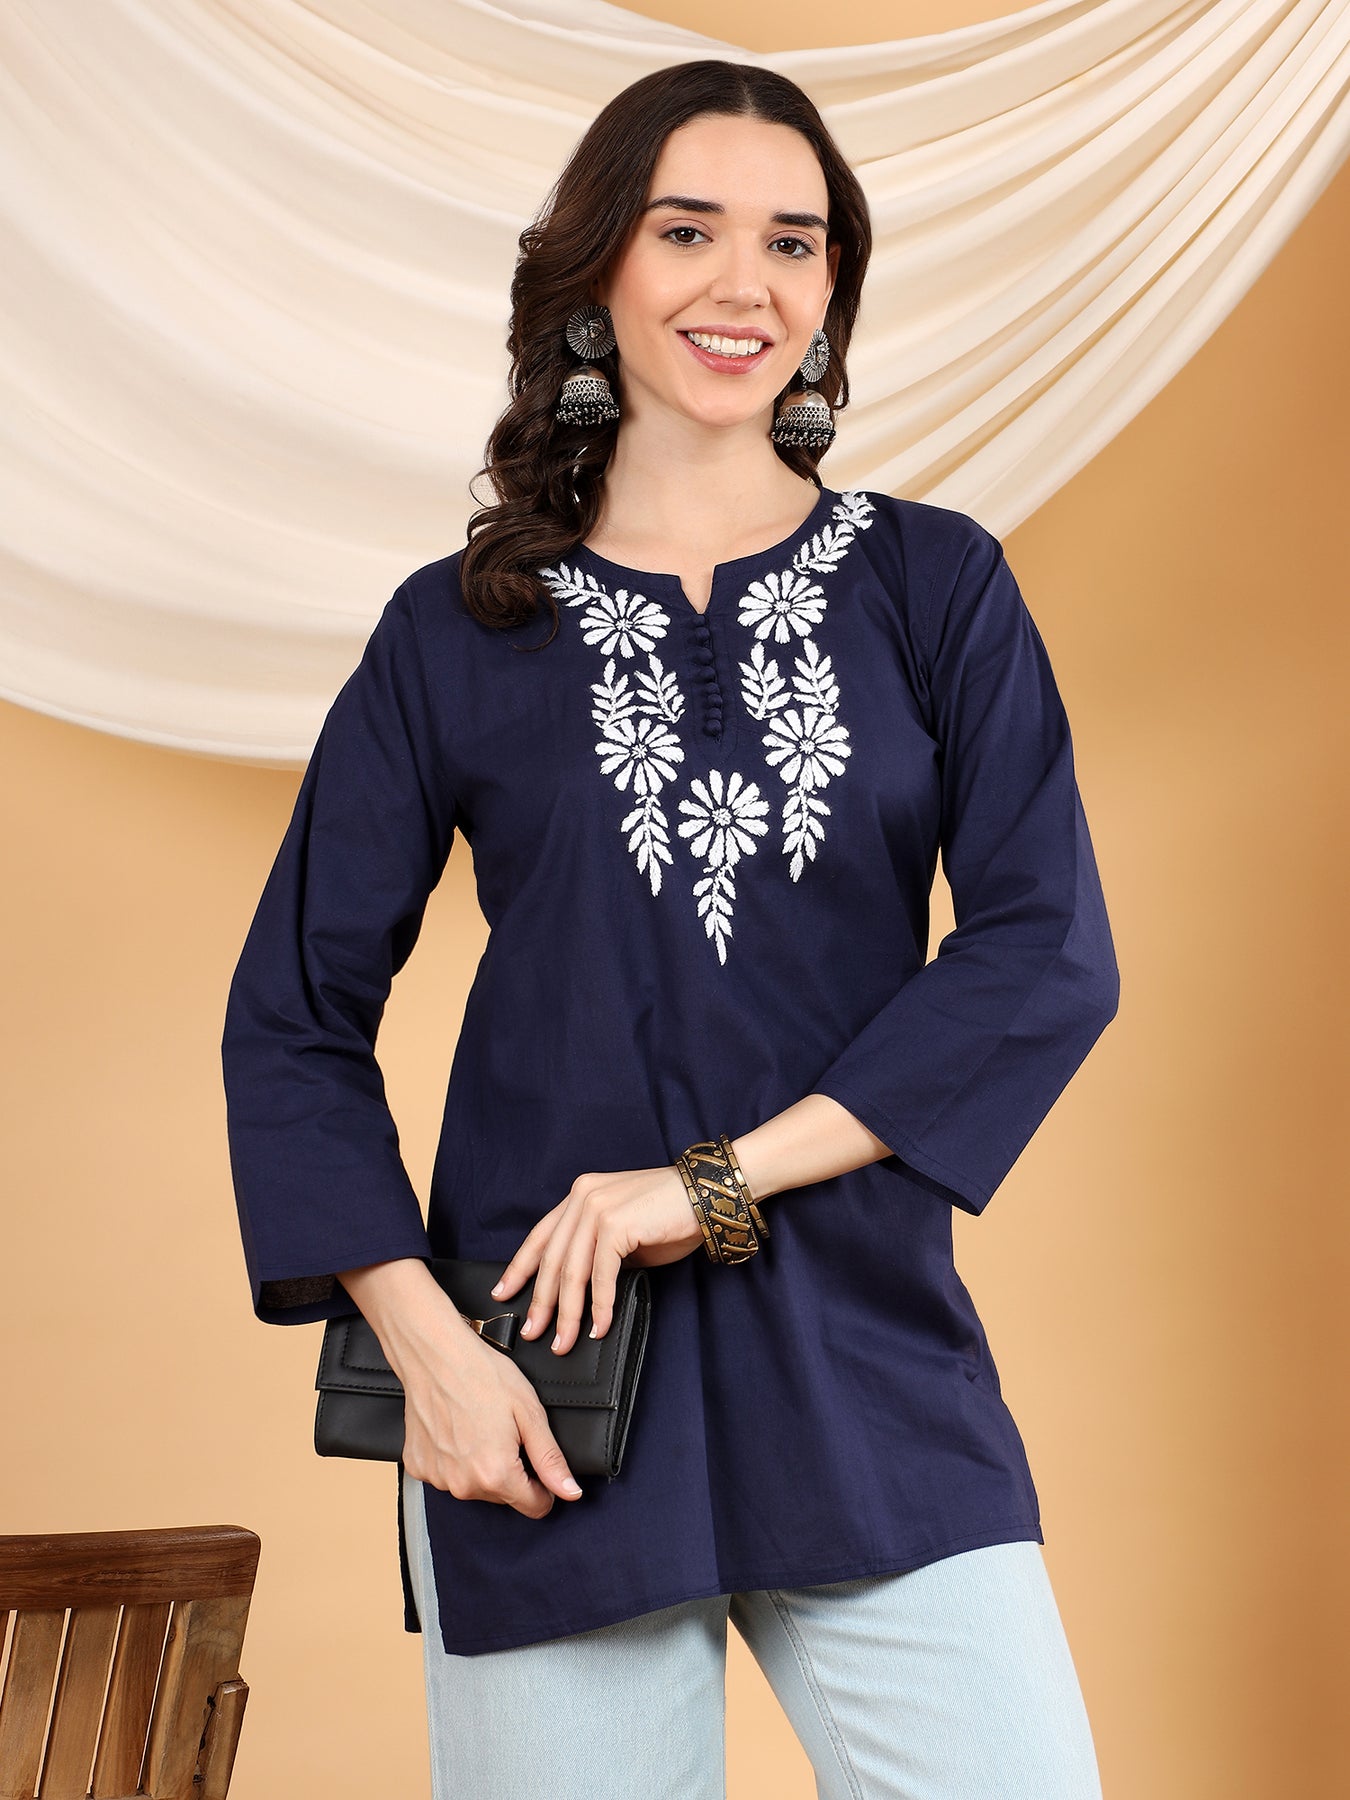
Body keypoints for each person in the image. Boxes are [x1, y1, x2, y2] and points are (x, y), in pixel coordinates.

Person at [221, 58, 1119, 1800]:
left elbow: (1041, 956)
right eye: (686, 230)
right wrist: (427, 1355)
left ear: (833, 287)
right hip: (542, 1389)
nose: (745, 285)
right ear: (596, 273)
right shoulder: (455, 631)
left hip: (863, 1355)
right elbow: (292, 1023)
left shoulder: (934, 586)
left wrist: (698, 1187)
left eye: (794, 241)